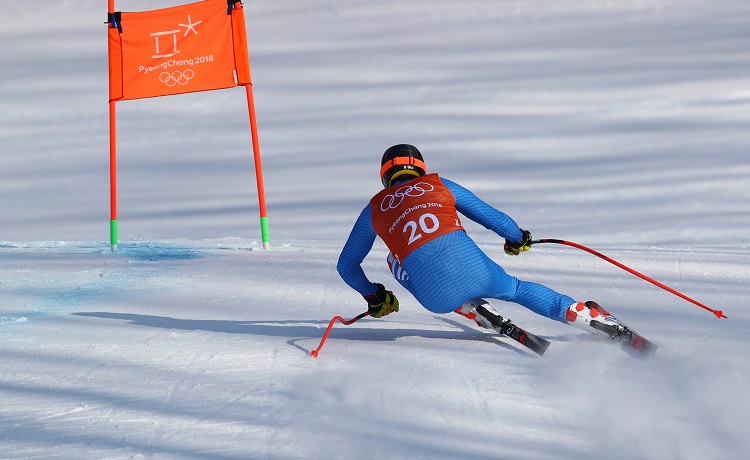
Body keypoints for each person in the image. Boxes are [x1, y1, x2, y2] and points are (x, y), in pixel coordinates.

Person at [336, 144, 624, 339]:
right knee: (516, 289)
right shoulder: (439, 184)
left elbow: (346, 266)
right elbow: (492, 217)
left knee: (393, 259)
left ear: (385, 176)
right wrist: (517, 238)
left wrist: (374, 296)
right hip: (481, 273)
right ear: (421, 168)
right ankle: (577, 313)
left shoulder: (374, 209)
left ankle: (469, 306)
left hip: (434, 299)